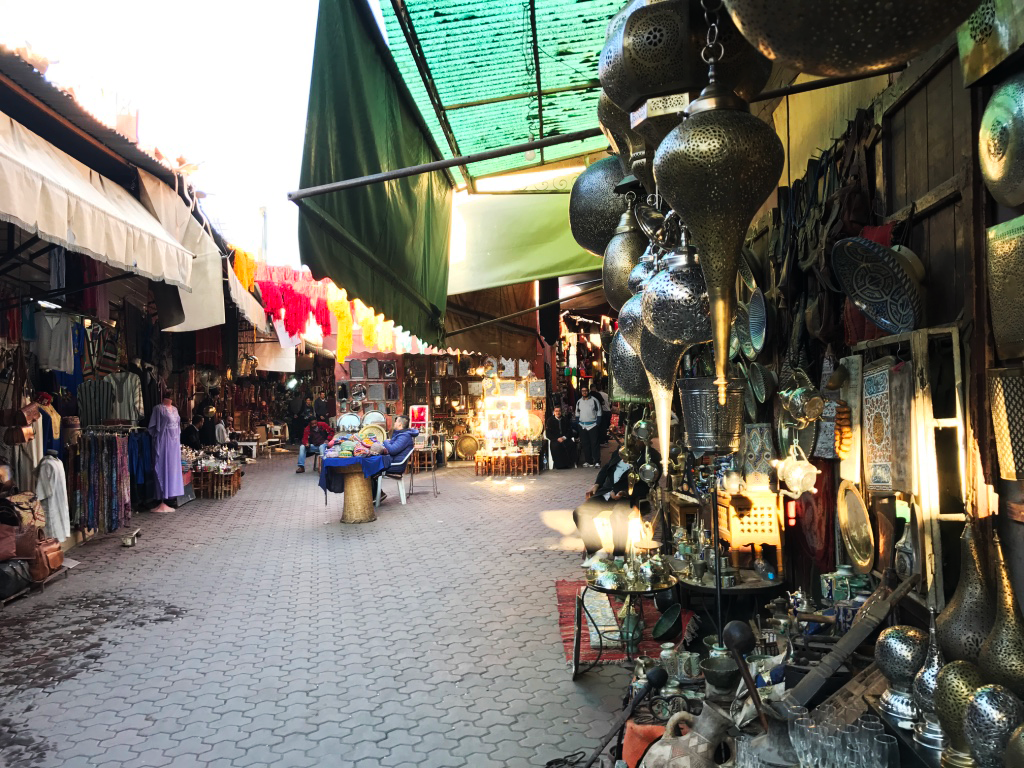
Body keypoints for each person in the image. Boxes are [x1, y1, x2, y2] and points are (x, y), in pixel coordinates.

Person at [368, 415, 419, 500]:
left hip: (395, 465)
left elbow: (392, 450)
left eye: (396, 421)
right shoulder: (402, 435)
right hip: (392, 461)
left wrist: (385, 441)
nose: (394, 423)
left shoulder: (404, 436)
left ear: (400, 424)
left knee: (369, 468)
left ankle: (376, 496)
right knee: (370, 467)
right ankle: (378, 494)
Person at [575, 385, 602, 467]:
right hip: (583, 426)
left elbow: (599, 412)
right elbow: (577, 414)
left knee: (595, 444)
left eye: (586, 391)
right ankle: (589, 461)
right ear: (581, 392)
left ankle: (596, 461)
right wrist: (578, 423)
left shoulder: (594, 400)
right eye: (583, 391)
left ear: (588, 391)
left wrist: (597, 423)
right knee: (585, 444)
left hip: (593, 425)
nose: (584, 392)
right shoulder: (579, 402)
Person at [546, 405, 575, 470]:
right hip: (555, 439)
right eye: (556, 411)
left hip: (564, 438)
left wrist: (564, 437)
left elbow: (569, 431)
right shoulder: (550, 420)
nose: (558, 412)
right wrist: (557, 438)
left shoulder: (565, 419)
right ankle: (559, 465)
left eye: (559, 411)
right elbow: (548, 433)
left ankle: (568, 464)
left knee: (571, 444)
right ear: (554, 412)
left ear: (561, 412)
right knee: (556, 446)